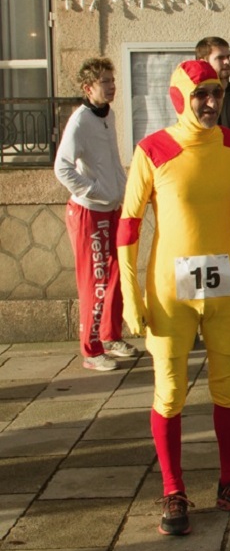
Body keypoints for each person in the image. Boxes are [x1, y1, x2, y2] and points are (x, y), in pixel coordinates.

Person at [117, 60, 230, 535]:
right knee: (169, 391)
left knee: (229, 386)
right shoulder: (153, 149)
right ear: (180, 96)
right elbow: (128, 225)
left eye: (216, 94)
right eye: (201, 93)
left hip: (225, 289)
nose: (209, 103)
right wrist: (128, 294)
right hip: (169, 294)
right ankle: (172, 489)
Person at [54, 58, 140, 371]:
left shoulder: (108, 115)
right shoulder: (80, 121)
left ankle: (110, 336)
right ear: (88, 88)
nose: (111, 85)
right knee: (96, 281)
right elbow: (62, 167)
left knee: (116, 276)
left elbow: (110, 159)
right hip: (89, 213)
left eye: (111, 79)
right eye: (104, 81)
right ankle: (91, 350)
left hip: (112, 208)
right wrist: (92, 190)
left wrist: (120, 189)